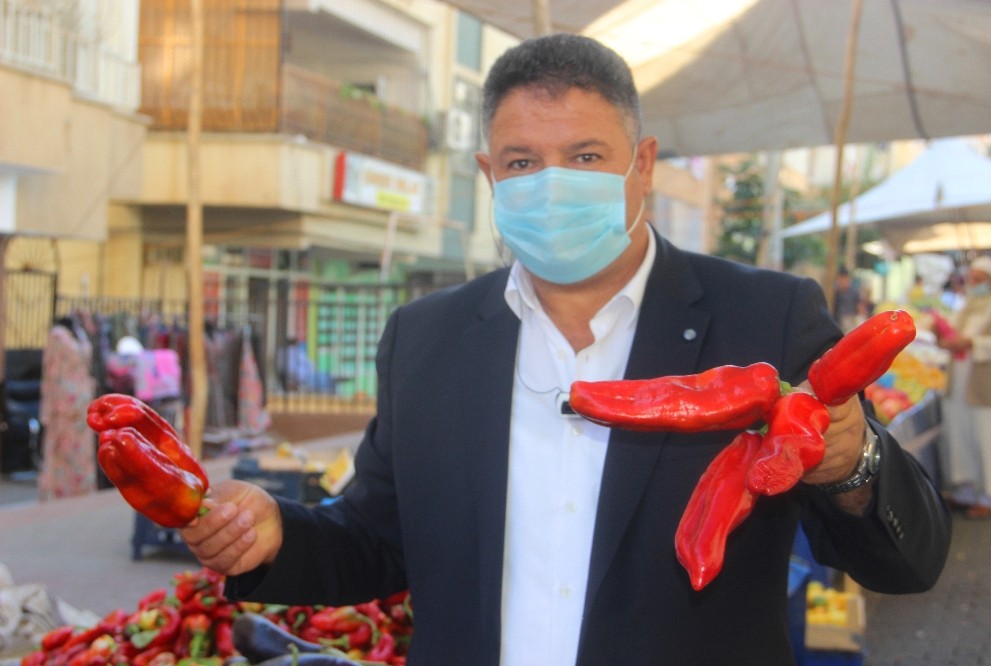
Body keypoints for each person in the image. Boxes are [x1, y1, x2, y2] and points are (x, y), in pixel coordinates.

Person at [180, 34, 951, 665]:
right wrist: (278, 534)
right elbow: (378, 541)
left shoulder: (766, 319)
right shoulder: (427, 339)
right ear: (488, 174)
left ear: (641, 165)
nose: (552, 185)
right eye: (521, 163)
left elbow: (905, 563)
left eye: (585, 157)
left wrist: (852, 465)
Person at [935, 255, 991, 519]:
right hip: (959, 382)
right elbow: (950, 333)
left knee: (988, 439)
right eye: (970, 279)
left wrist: (971, 343)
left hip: (986, 384)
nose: (973, 284)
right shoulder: (967, 306)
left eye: (978, 280)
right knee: (961, 436)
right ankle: (965, 492)